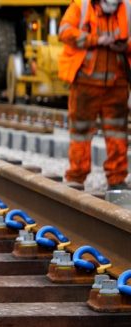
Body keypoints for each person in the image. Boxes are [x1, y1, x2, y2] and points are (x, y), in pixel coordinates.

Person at [58, 0, 131, 190]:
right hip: (85, 85)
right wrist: (95, 40)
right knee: (80, 132)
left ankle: (117, 179)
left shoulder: (128, 9)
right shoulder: (81, 7)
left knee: (117, 134)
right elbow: (64, 31)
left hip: (116, 85)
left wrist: (125, 45)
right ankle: (76, 177)